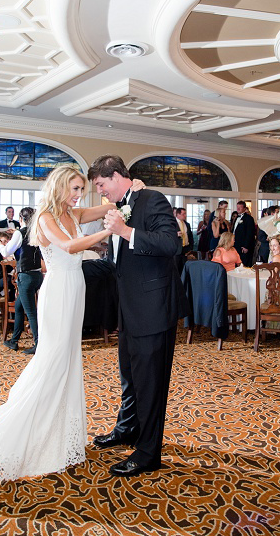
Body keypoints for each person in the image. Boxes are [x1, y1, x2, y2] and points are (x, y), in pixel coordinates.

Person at [0, 165, 118, 481]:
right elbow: (70, 247)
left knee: (69, 361)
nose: (78, 195)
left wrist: (127, 192)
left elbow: (107, 205)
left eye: (81, 190)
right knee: (53, 360)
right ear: (59, 187)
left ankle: (61, 437)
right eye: (74, 189)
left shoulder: (74, 213)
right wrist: (110, 231)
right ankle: (25, 427)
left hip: (75, 289)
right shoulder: (46, 217)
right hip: (58, 292)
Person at [89, 154, 188, 477]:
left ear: (117, 176)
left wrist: (125, 231)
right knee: (130, 378)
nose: (102, 193)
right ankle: (127, 429)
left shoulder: (152, 199)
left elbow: (169, 244)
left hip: (153, 310)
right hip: (129, 311)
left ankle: (147, 454)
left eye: (102, 185)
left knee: (150, 384)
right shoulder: (120, 206)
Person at [0, 207, 43, 354]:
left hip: (26, 277)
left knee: (31, 313)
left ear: (21, 218)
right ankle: (14, 340)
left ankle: (39, 344)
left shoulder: (20, 232)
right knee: (19, 307)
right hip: (37, 275)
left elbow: (6, 252)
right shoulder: (37, 231)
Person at [232, 200, 257, 267]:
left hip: (244, 246)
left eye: (240, 207)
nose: (238, 209)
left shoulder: (249, 218)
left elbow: (250, 233)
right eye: (237, 207)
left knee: (244, 264)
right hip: (236, 244)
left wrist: (246, 246)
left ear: (244, 209)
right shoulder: (236, 217)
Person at [173, 207, 193, 272]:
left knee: (184, 268)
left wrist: (190, 248)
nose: (185, 215)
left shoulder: (187, 224)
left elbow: (190, 237)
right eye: (183, 214)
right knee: (176, 268)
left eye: (185, 213)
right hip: (177, 249)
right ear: (178, 214)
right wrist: (175, 235)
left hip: (185, 249)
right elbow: (168, 235)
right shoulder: (172, 223)